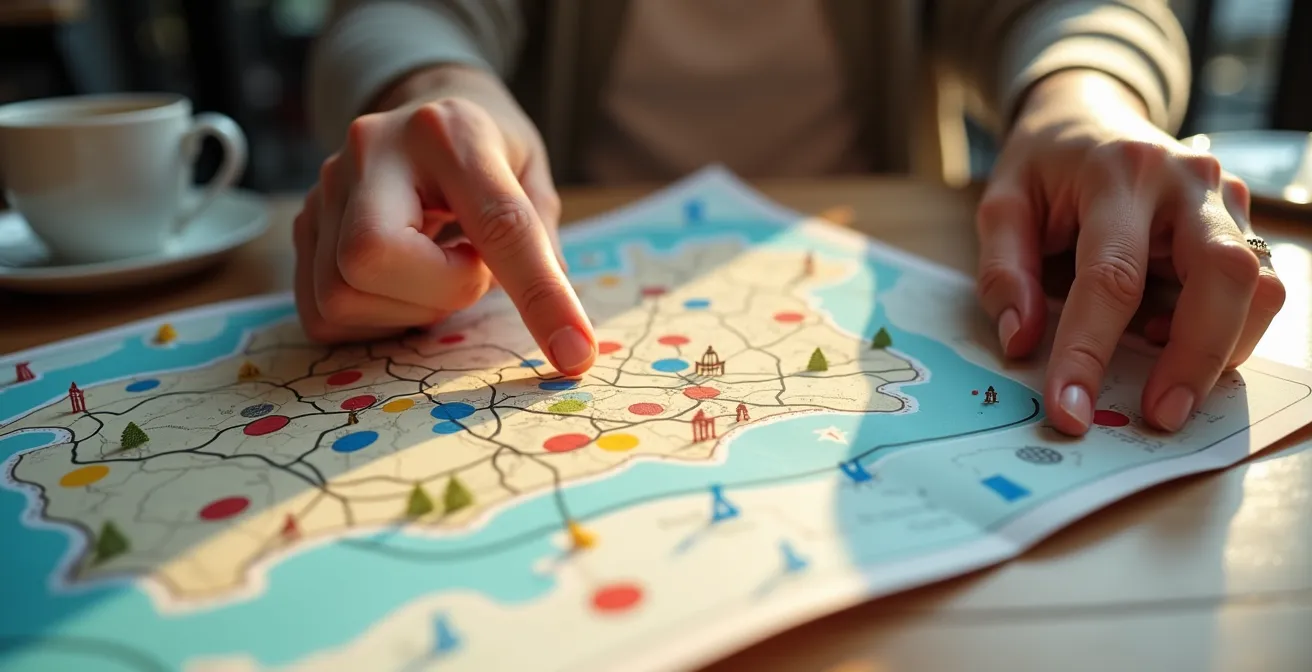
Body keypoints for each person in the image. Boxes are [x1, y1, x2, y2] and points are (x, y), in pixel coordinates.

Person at [297, 0, 1285, 437]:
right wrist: (435, 89)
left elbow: (1070, 6)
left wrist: (1085, 103)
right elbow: (397, 11)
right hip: (560, 260)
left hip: (887, 269)